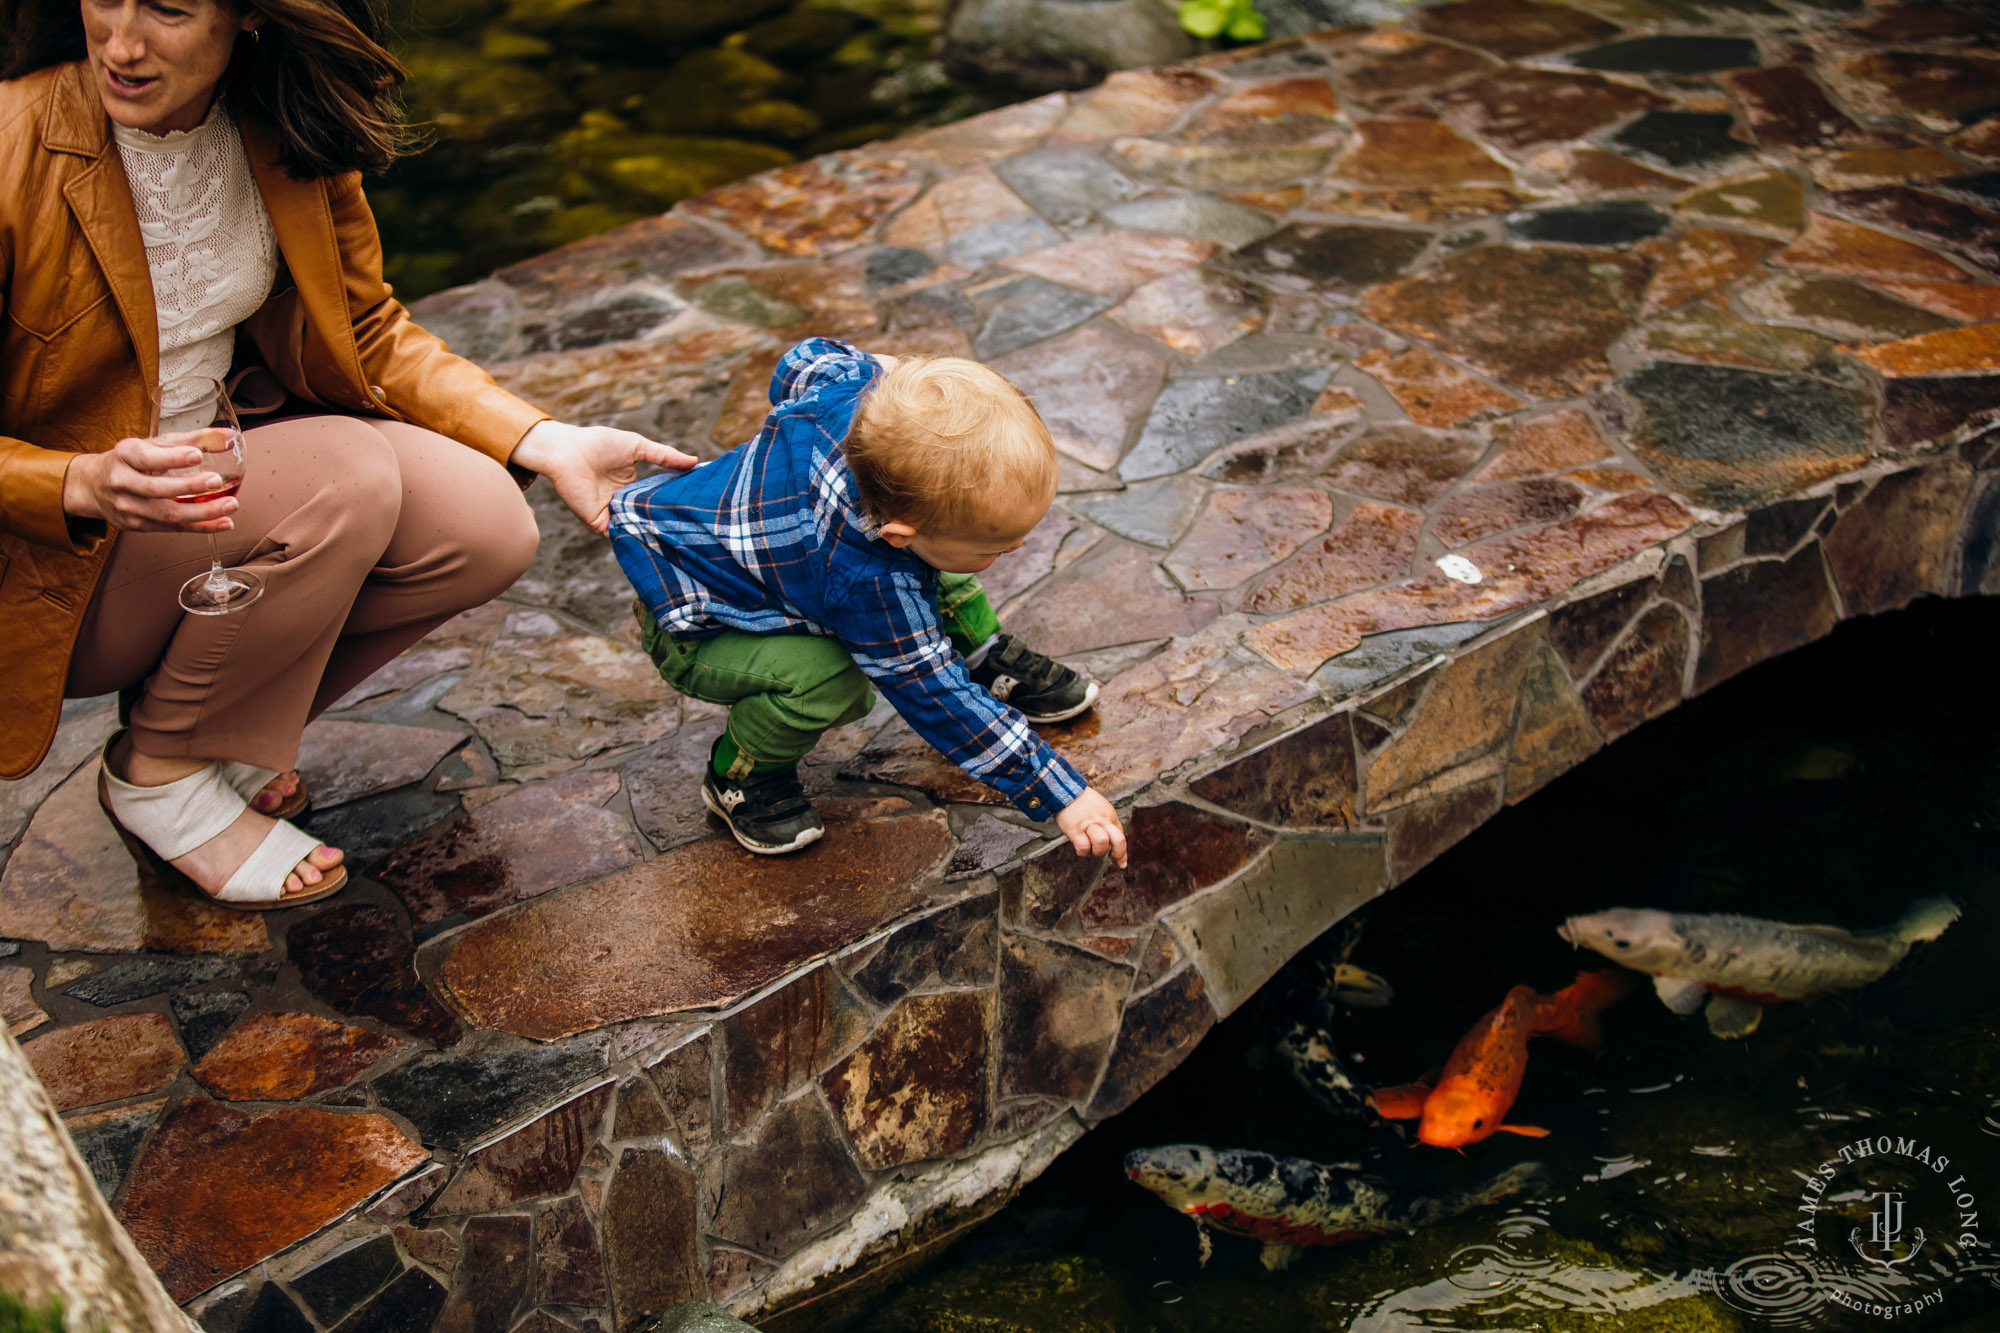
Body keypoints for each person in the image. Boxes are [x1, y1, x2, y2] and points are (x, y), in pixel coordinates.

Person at [0, 0, 697, 907]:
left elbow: (362, 326)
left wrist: (544, 436)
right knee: (345, 474)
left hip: (202, 508)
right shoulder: (13, 145)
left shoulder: (280, 118)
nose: (122, 44)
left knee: (485, 526)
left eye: (167, 9)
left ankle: (201, 733)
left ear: (248, 14)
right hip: (48, 563)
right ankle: (160, 775)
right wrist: (79, 480)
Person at [611, 337, 1129, 865]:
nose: (1016, 548)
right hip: (696, 614)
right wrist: (1059, 791)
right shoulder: (869, 578)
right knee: (835, 679)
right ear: (899, 531)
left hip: (783, 559)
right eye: (995, 548)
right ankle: (739, 777)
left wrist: (899, 382)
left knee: (933, 565)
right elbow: (931, 692)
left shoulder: (860, 401)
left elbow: (802, 359)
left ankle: (980, 655)